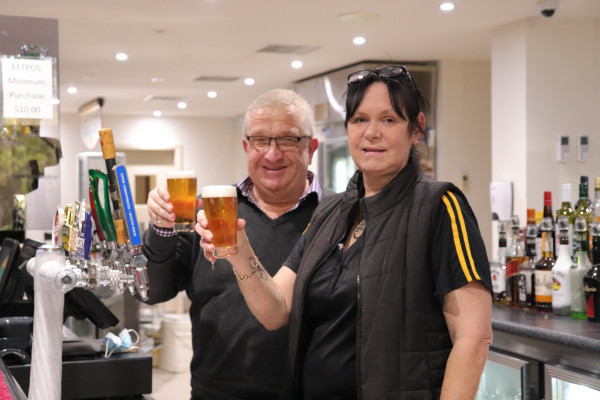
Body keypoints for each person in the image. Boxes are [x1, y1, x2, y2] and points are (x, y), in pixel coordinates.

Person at [198, 66, 493, 399]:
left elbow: (473, 338)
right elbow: (275, 310)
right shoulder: (331, 212)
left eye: (389, 119)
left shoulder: (439, 206)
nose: (371, 133)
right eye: (360, 119)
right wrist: (239, 251)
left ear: (416, 128)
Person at [143, 88, 333, 399]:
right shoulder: (209, 213)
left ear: (311, 148)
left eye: (288, 139)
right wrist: (161, 228)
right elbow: (153, 292)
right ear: (246, 146)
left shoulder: (338, 216)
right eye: (260, 140)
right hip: (215, 393)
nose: (272, 154)